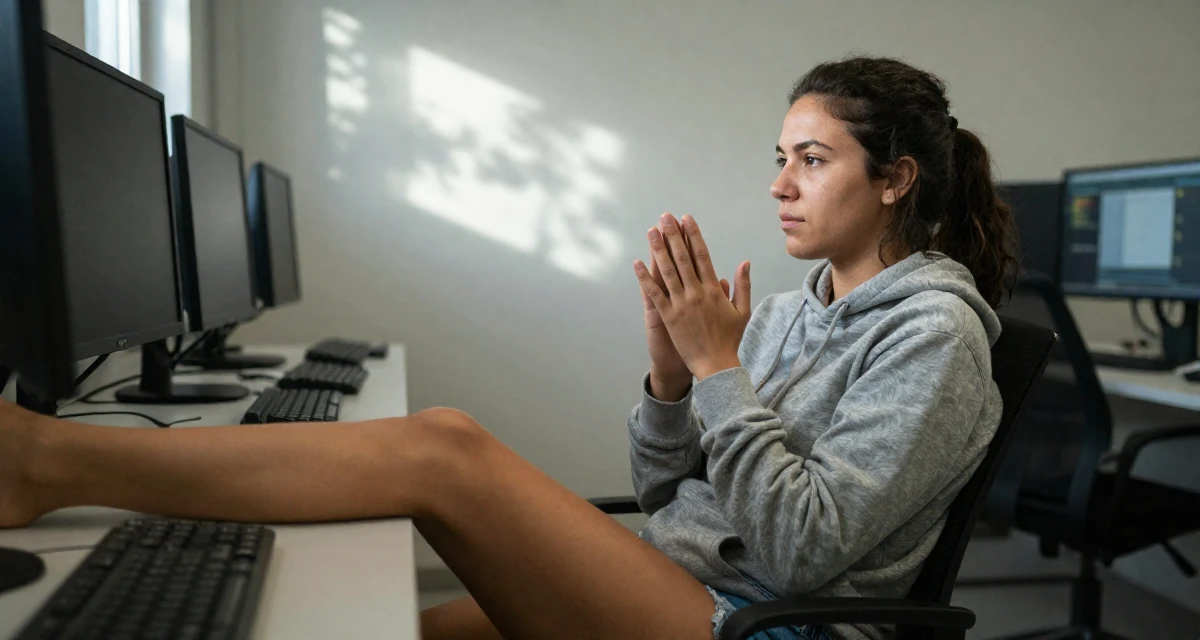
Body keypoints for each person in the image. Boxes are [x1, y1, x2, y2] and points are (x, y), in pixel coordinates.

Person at [0, 56, 1016, 640]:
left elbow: (803, 550)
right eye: (778, 159)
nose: (779, 185)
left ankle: (43, 459)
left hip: (763, 628)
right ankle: (45, 460)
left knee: (444, 448)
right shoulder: (798, 308)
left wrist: (718, 369)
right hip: (678, 577)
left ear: (895, 180)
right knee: (390, 633)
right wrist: (672, 383)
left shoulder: (937, 333)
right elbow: (668, 494)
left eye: (812, 160)